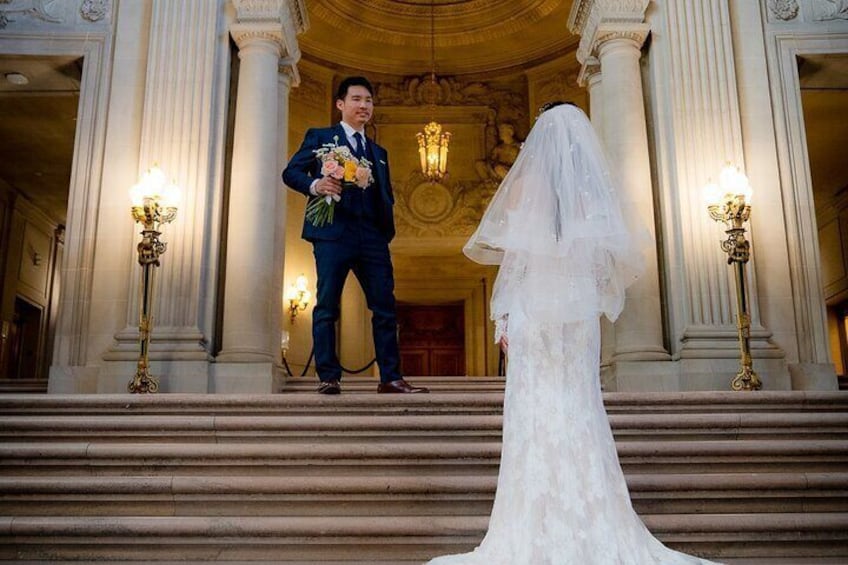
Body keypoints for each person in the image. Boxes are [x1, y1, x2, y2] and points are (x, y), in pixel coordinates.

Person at [424, 102, 721, 564]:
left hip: (534, 311)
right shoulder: (593, 191)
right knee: (581, 405)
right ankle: (594, 517)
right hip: (577, 312)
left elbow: (514, 263)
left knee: (534, 412)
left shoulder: (524, 185)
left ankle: (532, 527)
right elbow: (605, 265)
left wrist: (502, 317)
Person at [282, 76, 428, 395]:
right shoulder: (321, 137)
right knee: (327, 306)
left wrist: (384, 230)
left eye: (369, 101)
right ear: (341, 104)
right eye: (358, 99)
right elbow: (290, 172)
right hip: (333, 235)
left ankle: (390, 377)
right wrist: (315, 185)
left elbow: (384, 193)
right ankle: (329, 377)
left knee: (385, 306)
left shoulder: (379, 151)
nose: (364, 106)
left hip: (372, 237)